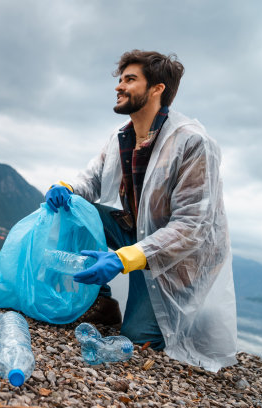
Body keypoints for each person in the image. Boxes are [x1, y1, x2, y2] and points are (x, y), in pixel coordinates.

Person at [45, 50, 237, 372]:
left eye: (130, 80)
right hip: (137, 234)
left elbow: (192, 227)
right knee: (73, 207)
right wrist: (65, 187)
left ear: (157, 89)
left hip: (179, 262)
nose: (119, 86)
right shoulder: (123, 136)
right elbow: (91, 179)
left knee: (135, 339)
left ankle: (188, 319)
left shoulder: (193, 143)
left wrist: (124, 258)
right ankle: (102, 303)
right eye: (120, 80)